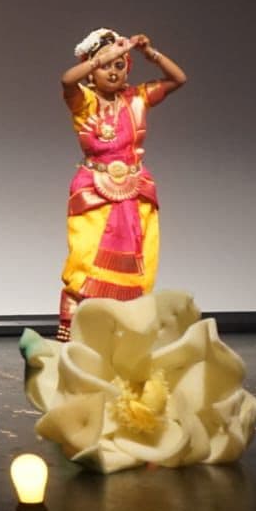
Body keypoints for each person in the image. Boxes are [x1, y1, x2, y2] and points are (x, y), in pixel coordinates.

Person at [55, 28, 186, 341]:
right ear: (92, 70)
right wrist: (103, 56)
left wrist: (149, 53)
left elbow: (178, 79)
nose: (112, 71)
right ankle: (72, 331)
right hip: (93, 191)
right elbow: (66, 80)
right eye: (105, 66)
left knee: (139, 262)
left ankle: (126, 334)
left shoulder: (137, 99)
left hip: (136, 189)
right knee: (86, 260)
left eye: (119, 65)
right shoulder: (83, 102)